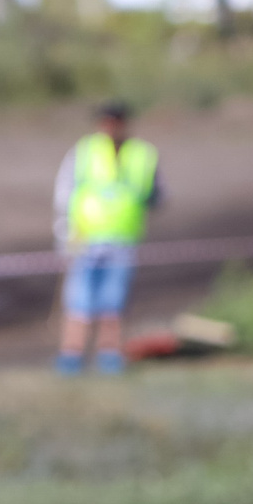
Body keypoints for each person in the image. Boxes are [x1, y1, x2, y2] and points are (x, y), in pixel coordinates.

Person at [53, 99, 163, 375]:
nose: (111, 126)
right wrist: (65, 233)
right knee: (78, 303)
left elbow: (156, 194)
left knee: (112, 304)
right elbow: (64, 193)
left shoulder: (142, 155)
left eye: (116, 121)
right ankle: (71, 359)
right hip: (85, 239)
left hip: (122, 240)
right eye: (106, 121)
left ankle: (109, 359)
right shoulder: (84, 152)